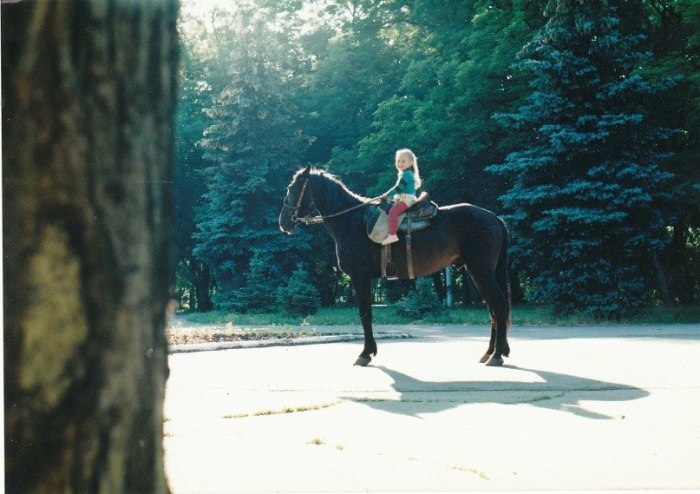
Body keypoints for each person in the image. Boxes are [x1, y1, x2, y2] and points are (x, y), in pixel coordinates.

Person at [381, 148, 422, 245]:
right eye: (398, 161)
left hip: (407, 200)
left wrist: (386, 195)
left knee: (392, 212)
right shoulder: (405, 173)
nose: (400, 163)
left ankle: (392, 235)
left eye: (403, 161)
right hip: (403, 198)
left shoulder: (406, 175)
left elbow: (398, 189)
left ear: (411, 162)